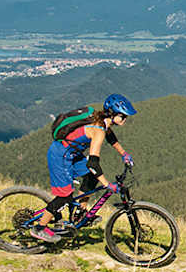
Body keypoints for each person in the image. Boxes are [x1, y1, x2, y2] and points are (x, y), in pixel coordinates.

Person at [30, 93, 137, 242]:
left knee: (92, 177)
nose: (125, 119)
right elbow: (92, 164)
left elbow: (111, 137)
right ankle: (39, 228)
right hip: (60, 155)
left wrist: (124, 153)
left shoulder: (102, 121)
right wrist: (108, 185)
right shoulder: (98, 130)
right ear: (113, 114)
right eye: (123, 116)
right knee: (64, 196)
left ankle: (80, 212)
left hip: (72, 153)